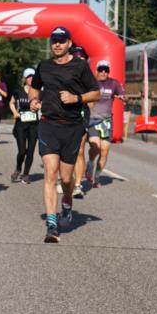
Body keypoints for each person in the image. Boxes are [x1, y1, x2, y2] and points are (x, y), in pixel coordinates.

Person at [29, 27, 99, 243]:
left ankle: (67, 203)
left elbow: (95, 92)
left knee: (66, 179)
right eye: (54, 41)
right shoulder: (44, 66)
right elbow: (34, 88)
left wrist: (76, 98)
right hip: (48, 125)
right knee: (50, 173)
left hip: (72, 127)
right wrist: (33, 100)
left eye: (61, 41)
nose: (57, 44)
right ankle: (52, 224)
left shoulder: (80, 66)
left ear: (69, 43)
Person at [87, 60, 126, 188]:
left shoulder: (113, 83)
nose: (103, 72)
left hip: (106, 122)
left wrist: (123, 98)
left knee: (104, 151)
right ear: (96, 70)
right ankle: (91, 163)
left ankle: (96, 177)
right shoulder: (91, 82)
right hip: (92, 119)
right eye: (101, 69)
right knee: (95, 147)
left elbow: (123, 94)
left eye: (106, 70)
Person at [9, 68, 40, 184]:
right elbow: (11, 103)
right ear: (25, 79)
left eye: (33, 76)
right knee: (22, 151)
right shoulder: (18, 91)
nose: (31, 79)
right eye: (29, 77)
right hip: (21, 125)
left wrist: (39, 106)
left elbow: (43, 105)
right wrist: (15, 112)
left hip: (34, 125)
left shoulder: (38, 92)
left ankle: (26, 174)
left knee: (31, 151)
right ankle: (18, 169)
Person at [69, 45, 91, 199]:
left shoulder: (88, 77)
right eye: (76, 56)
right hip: (62, 115)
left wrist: (82, 97)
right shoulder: (63, 72)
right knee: (64, 150)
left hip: (82, 114)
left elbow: (94, 98)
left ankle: (77, 185)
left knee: (80, 150)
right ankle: (64, 179)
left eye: (81, 57)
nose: (79, 59)